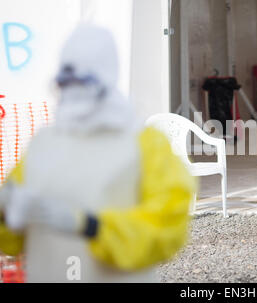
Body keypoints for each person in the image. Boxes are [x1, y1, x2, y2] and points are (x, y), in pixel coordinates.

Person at [0, 24, 196, 282]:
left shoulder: (145, 145)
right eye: (67, 83)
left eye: (83, 82)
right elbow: (11, 243)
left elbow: (168, 228)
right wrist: (7, 211)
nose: (74, 92)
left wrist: (91, 226)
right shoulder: (43, 144)